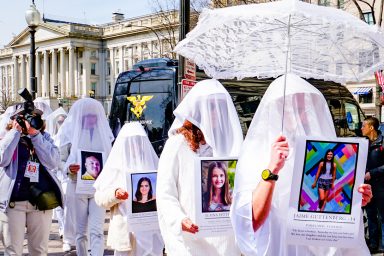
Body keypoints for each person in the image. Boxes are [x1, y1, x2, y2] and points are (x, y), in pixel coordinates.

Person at [231, 73, 372, 255]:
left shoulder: (325, 153)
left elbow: (334, 213)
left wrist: (354, 200)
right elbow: (250, 224)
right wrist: (271, 171)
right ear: (276, 110)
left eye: (305, 107)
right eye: (292, 108)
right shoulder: (255, 155)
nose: (301, 115)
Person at [157, 79, 243, 255]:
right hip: (191, 239)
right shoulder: (177, 145)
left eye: (220, 106)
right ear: (196, 108)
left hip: (224, 239)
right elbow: (165, 192)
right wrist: (179, 219)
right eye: (210, 107)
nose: (216, 113)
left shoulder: (230, 145)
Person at [0, 106, 63, 255]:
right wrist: (15, 133)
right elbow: (2, 159)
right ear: (14, 120)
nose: (29, 121)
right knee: (13, 251)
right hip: (14, 203)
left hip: (41, 203)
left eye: (33, 117)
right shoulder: (6, 138)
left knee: (39, 251)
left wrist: (35, 135)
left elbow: (53, 162)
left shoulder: (44, 137)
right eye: (24, 118)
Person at [94, 122, 164, 256]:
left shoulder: (154, 166)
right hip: (125, 231)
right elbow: (99, 197)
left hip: (151, 231)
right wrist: (115, 194)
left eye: (138, 141)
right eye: (131, 142)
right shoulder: (114, 168)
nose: (135, 145)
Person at [56, 98, 114, 256]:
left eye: (93, 116)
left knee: (97, 230)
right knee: (81, 232)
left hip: (98, 189)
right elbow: (59, 160)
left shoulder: (103, 135)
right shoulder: (69, 134)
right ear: (80, 117)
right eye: (87, 116)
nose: (91, 119)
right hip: (76, 186)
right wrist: (68, 168)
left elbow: (110, 161)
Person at [45, 107, 68, 242]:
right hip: (53, 174)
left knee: (66, 203)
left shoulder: (70, 139)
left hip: (65, 175)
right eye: (59, 122)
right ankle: (62, 227)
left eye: (63, 121)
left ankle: (68, 228)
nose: (61, 124)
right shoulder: (51, 138)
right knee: (58, 205)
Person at [361, 116, 384, 253]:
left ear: (371, 128)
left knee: (382, 216)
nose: (361, 128)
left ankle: (382, 245)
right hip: (367, 187)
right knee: (370, 216)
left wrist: (373, 173)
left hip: (381, 186)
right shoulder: (364, 143)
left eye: (363, 126)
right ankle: (373, 245)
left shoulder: (382, 143)